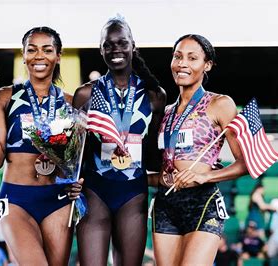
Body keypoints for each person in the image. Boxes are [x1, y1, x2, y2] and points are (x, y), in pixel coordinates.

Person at [0, 26, 83, 265]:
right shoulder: (5, 97)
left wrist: (78, 180)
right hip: (16, 199)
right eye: (32, 50)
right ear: (23, 55)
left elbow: (77, 161)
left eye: (47, 50)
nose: (39, 56)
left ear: (58, 56)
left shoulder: (70, 103)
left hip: (58, 199)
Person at [72, 16, 166, 265]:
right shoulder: (85, 94)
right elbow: (76, 153)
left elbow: (155, 153)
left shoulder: (154, 95)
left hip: (132, 194)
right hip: (94, 192)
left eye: (122, 43)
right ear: (100, 49)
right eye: (108, 44)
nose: (116, 50)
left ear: (133, 46)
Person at [151, 34, 247, 265]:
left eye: (192, 58)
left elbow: (245, 163)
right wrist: (158, 178)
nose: (182, 63)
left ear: (207, 65)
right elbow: (158, 166)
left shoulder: (220, 104)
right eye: (177, 57)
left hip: (202, 202)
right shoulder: (165, 113)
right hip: (165, 204)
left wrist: (205, 176)